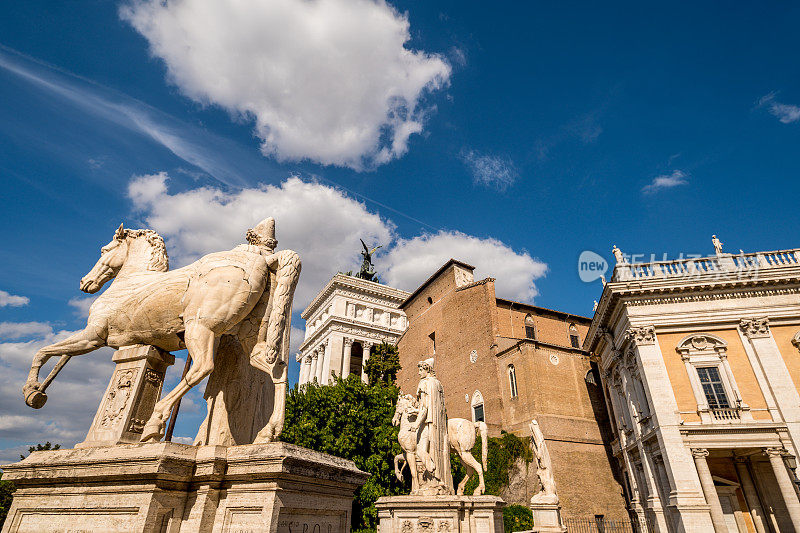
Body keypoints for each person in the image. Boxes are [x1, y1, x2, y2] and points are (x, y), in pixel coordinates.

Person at [410, 358, 454, 495]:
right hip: (438, 425)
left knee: (418, 450)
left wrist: (416, 424)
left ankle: (431, 477)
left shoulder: (424, 384)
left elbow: (425, 408)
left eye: (420, 370)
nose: (418, 373)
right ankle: (440, 480)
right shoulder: (438, 384)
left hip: (427, 423)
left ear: (426, 369)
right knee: (437, 450)